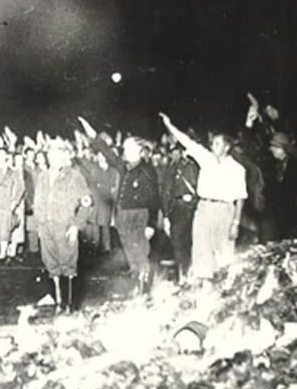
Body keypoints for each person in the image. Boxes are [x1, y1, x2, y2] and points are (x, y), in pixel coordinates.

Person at [160, 113, 248, 280]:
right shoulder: (205, 158)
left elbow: (240, 197)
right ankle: (202, 287)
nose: (212, 146)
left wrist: (236, 222)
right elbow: (187, 141)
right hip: (204, 209)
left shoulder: (237, 169)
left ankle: (223, 288)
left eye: (217, 143)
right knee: (201, 249)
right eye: (213, 143)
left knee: (224, 253)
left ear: (226, 147)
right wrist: (169, 125)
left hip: (225, 211)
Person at [79, 118, 160, 294]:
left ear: (140, 150)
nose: (125, 151)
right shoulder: (123, 166)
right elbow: (106, 150)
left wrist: (151, 224)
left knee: (140, 251)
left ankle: (145, 289)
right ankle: (137, 283)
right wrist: (91, 132)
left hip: (139, 215)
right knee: (129, 251)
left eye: (129, 147)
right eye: (124, 148)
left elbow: (154, 199)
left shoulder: (147, 170)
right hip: (122, 214)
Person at [32, 138, 92, 312]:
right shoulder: (43, 176)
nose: (54, 156)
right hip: (46, 227)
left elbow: (86, 203)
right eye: (51, 152)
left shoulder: (74, 176)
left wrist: (76, 226)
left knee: (68, 265)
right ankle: (58, 302)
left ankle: (69, 306)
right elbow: (38, 202)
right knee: (51, 264)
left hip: (65, 227)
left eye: (58, 152)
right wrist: (40, 226)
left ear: (65, 155)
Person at [260, 132, 297, 241]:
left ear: (283, 148)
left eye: (275, 147)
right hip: (273, 214)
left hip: (290, 215)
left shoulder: (296, 166)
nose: (271, 149)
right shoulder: (271, 165)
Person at [162, 143, 199, 280]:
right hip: (176, 209)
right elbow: (165, 192)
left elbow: (199, 188)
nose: (175, 155)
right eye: (173, 153)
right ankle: (181, 274)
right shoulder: (170, 169)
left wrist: (193, 199)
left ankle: (189, 272)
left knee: (189, 241)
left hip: (190, 208)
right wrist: (166, 215)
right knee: (177, 242)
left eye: (177, 152)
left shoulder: (192, 167)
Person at [0, 147, 24, 263]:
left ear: (7, 156)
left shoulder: (12, 172)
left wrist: (14, 202)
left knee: (5, 231)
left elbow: (21, 188)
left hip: (7, 206)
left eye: (3, 155)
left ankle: (2, 256)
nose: (1, 157)